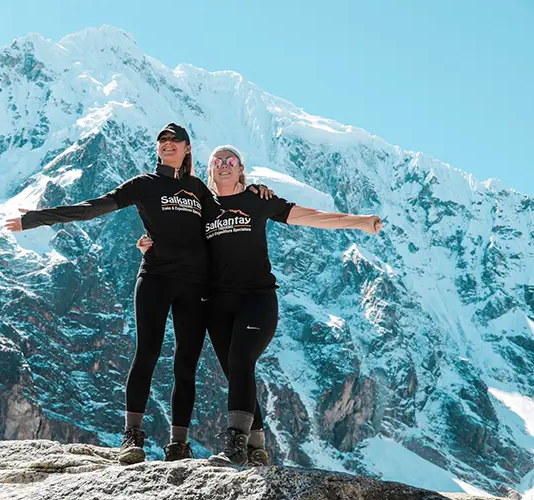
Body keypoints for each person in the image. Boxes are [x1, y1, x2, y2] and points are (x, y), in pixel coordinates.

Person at [5, 124, 273, 464]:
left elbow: (228, 212)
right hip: (156, 278)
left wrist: (258, 190)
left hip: (195, 286)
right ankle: (132, 438)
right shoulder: (144, 185)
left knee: (186, 364)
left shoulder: (198, 190)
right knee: (146, 352)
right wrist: (35, 219)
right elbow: (93, 207)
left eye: (174, 141)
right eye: (162, 141)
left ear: (188, 148)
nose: (168, 145)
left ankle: (179, 444)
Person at [137, 145, 382, 466]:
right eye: (217, 161)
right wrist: (149, 247)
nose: (224, 164)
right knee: (238, 372)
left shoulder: (257, 200)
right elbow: (178, 241)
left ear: (241, 169)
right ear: (209, 171)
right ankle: (257, 450)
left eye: (231, 161)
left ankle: (235, 447)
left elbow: (309, 216)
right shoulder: (202, 208)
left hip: (257, 300)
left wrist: (359, 222)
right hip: (216, 306)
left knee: (240, 359)